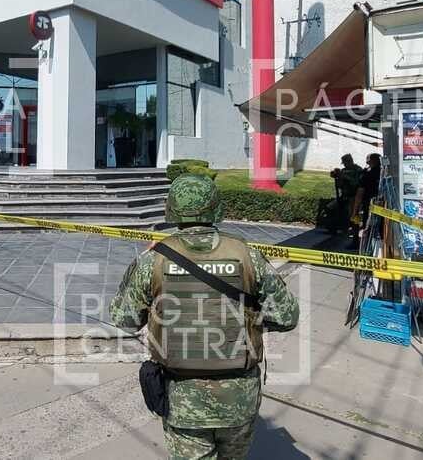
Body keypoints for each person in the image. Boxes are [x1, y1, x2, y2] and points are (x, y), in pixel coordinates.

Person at [110, 174, 300, 460]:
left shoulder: (155, 259)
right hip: (239, 398)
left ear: (171, 209)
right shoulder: (247, 254)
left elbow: (125, 319)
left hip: (182, 398)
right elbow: (287, 317)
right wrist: (250, 319)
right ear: (216, 208)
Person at [353, 152, 382, 237]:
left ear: (372, 162)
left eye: (368, 162)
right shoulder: (385, 173)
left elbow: (360, 192)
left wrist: (355, 210)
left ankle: (362, 246)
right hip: (383, 205)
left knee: (368, 228)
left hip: (369, 205)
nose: (367, 164)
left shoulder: (366, 174)